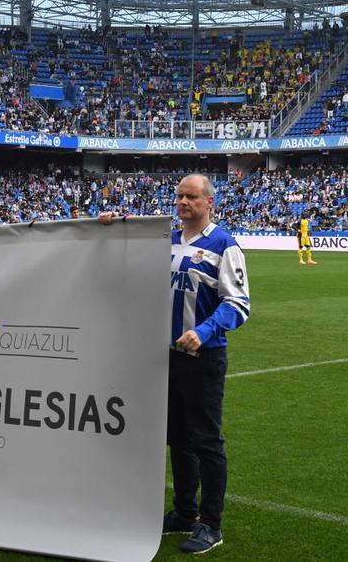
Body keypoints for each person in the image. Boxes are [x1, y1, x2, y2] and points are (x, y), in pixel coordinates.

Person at [101, 173, 250, 554]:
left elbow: (238, 304)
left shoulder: (224, 245)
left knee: (206, 442)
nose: (183, 202)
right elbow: (130, 267)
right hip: (165, 359)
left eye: (192, 197)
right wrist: (109, 228)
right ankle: (184, 513)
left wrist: (203, 330)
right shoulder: (165, 240)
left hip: (202, 358)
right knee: (178, 440)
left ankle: (211, 525)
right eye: (179, 196)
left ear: (209, 202)